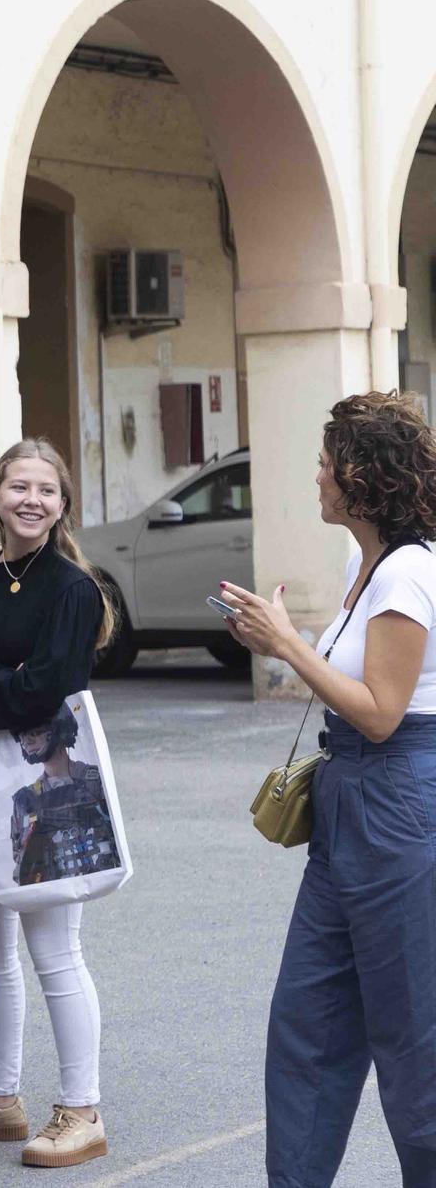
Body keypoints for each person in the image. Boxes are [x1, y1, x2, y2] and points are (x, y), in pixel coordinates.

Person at [221, 391, 436, 1188]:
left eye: (324, 461)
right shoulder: (364, 562)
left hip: (401, 800)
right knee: (307, 1026)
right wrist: (269, 635)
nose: (314, 475)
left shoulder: (410, 572)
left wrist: (286, 646)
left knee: (415, 1039)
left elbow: (383, 712)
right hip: (349, 802)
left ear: (361, 474)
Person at [0, 439, 112, 1170]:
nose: (31, 500)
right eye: (18, 486)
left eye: (45, 489)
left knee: (55, 950)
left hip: (47, 788)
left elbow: (45, 691)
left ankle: (82, 1108)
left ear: (62, 504)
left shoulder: (73, 589)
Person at [8, 705, 119, 886]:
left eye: (35, 732)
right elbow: (21, 859)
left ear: (58, 730)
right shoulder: (25, 799)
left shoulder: (94, 780)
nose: (27, 740)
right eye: (22, 735)